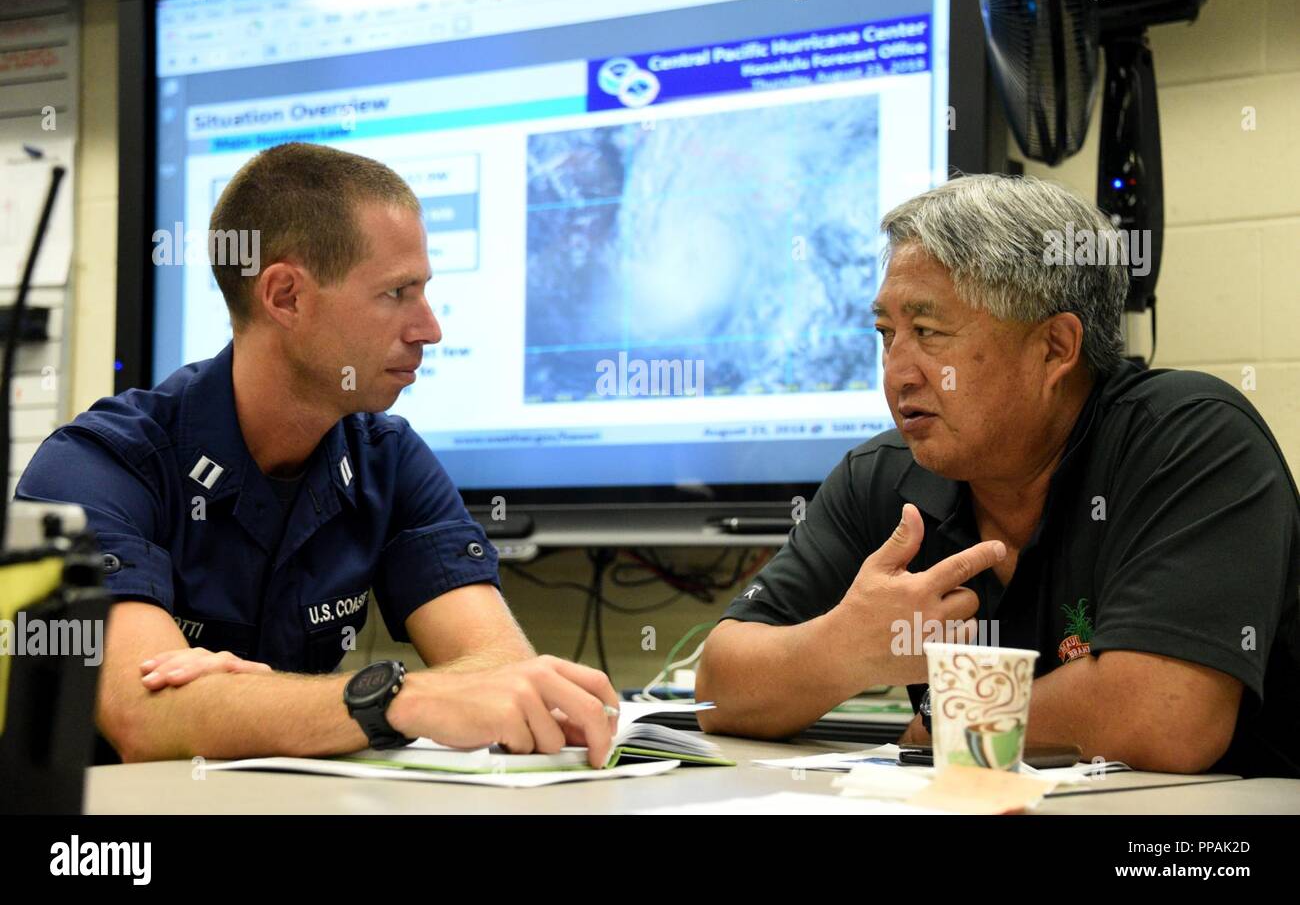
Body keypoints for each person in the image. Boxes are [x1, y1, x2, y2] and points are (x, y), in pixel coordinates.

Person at [18, 142, 618, 765]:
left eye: (425, 290)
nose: (429, 328)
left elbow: (501, 673)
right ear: (286, 297)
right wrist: (388, 699)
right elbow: (146, 717)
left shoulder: (387, 459)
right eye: (396, 292)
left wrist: (244, 702)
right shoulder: (97, 467)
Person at [696, 174, 1300, 777]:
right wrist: (842, 650)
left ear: (1055, 348)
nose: (898, 372)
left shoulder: (1188, 437)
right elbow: (720, 689)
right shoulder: (883, 476)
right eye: (887, 335)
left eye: (929, 333)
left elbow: (1165, 720)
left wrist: (948, 720)